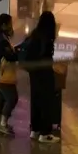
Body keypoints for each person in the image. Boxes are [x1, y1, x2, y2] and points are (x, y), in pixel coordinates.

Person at [19, 10, 61, 143]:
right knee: (46, 102)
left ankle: (34, 130)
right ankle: (45, 133)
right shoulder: (47, 38)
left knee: (35, 100)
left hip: (34, 73)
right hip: (44, 73)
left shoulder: (34, 34)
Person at [0, 13, 19, 136]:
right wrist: (18, 53)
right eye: (9, 24)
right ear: (3, 25)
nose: (11, 26)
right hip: (5, 74)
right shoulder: (2, 40)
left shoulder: (0, 36)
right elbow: (10, 56)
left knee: (1, 97)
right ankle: (3, 123)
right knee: (12, 98)